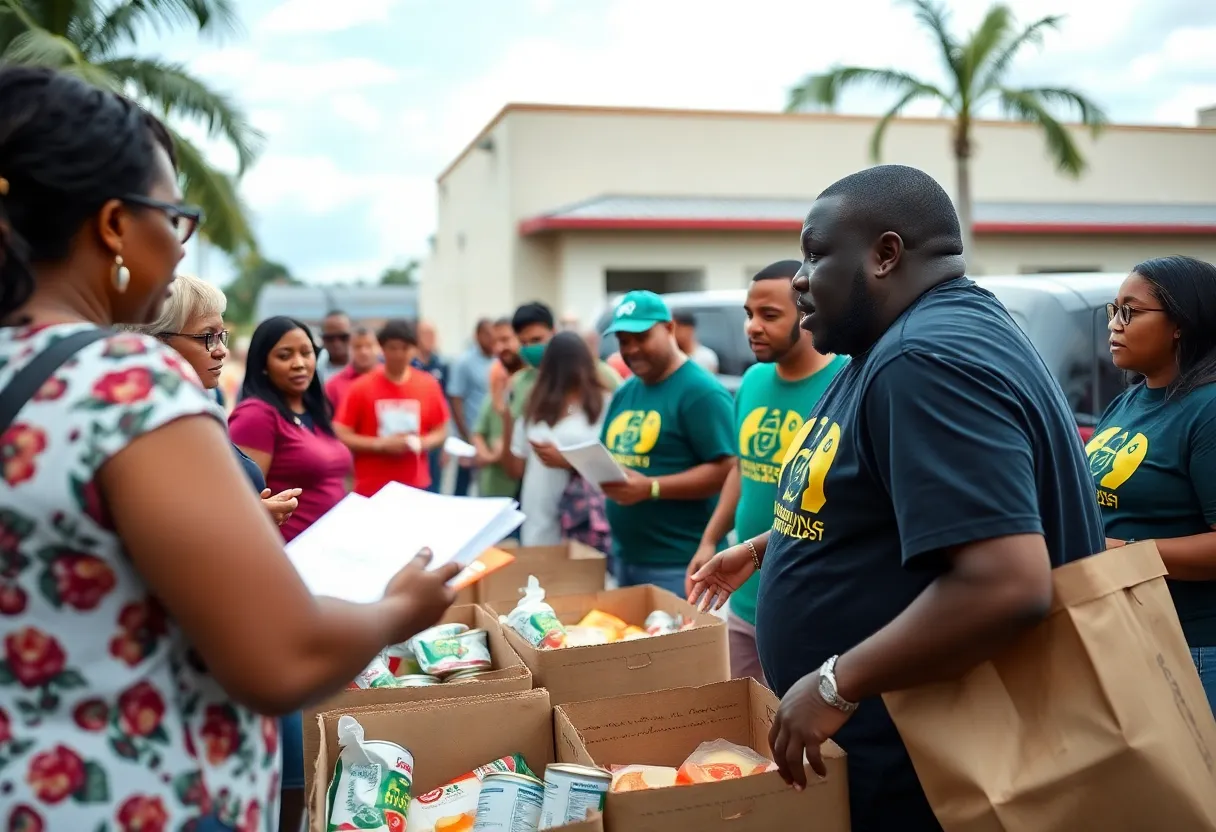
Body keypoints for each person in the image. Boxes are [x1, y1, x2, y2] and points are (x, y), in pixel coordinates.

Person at [0, 65, 460, 831]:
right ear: (114, 226)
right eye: (173, 218)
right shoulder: (124, 382)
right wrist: (395, 611)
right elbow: (279, 658)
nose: (181, 250)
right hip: (139, 800)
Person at [688, 165, 1105, 832]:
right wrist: (769, 546)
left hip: (929, 768)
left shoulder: (924, 359)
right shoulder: (901, 343)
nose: (799, 280)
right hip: (903, 749)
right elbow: (889, 500)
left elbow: (1004, 581)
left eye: (816, 254)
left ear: (885, 254)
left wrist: (835, 683)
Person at [687, 261, 847, 684]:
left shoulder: (846, 383)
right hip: (744, 601)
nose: (752, 327)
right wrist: (710, 539)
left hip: (811, 606)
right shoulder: (753, 381)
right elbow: (741, 468)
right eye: (748, 314)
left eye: (769, 315)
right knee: (751, 733)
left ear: (808, 313)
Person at [1089, 255, 1216, 709]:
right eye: (1112, 310)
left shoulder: (1207, 409)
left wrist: (1124, 554)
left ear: (1180, 323)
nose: (1114, 325)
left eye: (1131, 311)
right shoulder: (1128, 402)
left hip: (1192, 649)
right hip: (1124, 636)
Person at [128, 273, 301, 528]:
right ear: (157, 342)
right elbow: (154, 525)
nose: (221, 350)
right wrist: (245, 518)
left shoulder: (194, 410)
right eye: (208, 337)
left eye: (222, 336)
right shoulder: (146, 422)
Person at [599, 291, 734, 595]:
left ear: (669, 328)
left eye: (641, 337)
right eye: (623, 340)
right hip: (625, 557)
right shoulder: (626, 391)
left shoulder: (701, 392)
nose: (631, 349)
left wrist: (652, 487)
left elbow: (728, 470)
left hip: (679, 563)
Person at [229, 317, 354, 543]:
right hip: (291, 554)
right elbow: (242, 501)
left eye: (306, 353)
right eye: (285, 356)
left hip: (335, 549)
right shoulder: (256, 415)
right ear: (263, 364)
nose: (299, 363)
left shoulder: (316, 409)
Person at [498, 332, 611, 546]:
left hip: (584, 524)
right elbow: (514, 469)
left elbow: (616, 470)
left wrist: (567, 461)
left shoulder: (604, 404)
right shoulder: (535, 408)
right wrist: (506, 413)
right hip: (538, 524)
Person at [336, 319, 449, 496]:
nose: (399, 354)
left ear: (414, 349)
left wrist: (421, 442)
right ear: (382, 348)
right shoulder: (361, 387)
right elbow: (341, 432)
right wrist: (379, 445)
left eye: (405, 348)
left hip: (415, 485)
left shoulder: (428, 385)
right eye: (393, 348)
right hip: (372, 487)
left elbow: (440, 430)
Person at [506, 301, 621, 424]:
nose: (530, 348)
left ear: (554, 332)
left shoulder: (598, 373)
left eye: (536, 340)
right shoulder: (520, 383)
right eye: (523, 343)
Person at [473, 318, 524, 499]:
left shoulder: (535, 385)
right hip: (493, 488)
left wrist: (499, 453)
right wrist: (485, 453)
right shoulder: (497, 389)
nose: (499, 348)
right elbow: (479, 431)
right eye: (495, 342)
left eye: (505, 339)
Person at [447, 319, 496, 496]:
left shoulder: (498, 360)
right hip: (469, 433)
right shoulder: (464, 362)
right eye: (488, 334)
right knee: (463, 486)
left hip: (492, 437)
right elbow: (456, 399)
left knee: (488, 485)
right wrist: (465, 435)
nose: (492, 339)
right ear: (477, 336)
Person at [412, 319, 450, 492]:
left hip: (435, 436)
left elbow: (446, 404)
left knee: (435, 487)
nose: (430, 339)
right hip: (413, 435)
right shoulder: (409, 365)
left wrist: (445, 443)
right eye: (425, 334)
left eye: (432, 334)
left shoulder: (441, 364)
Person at [325, 325, 381, 411]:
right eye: (357, 347)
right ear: (349, 349)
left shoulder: (390, 378)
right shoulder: (333, 386)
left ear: (379, 348)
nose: (363, 352)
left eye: (369, 346)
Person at [316, 309, 352, 383]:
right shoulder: (314, 371)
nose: (337, 343)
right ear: (322, 339)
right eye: (329, 338)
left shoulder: (367, 368)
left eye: (343, 337)